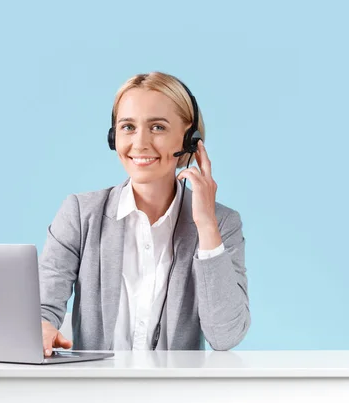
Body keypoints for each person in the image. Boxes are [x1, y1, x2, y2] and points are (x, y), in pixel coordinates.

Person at [38, 71, 250, 356]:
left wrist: (206, 225)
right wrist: (41, 327)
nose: (140, 142)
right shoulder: (80, 214)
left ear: (189, 138)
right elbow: (41, 308)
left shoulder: (222, 223)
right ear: (113, 136)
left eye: (158, 127)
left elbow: (226, 335)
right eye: (127, 127)